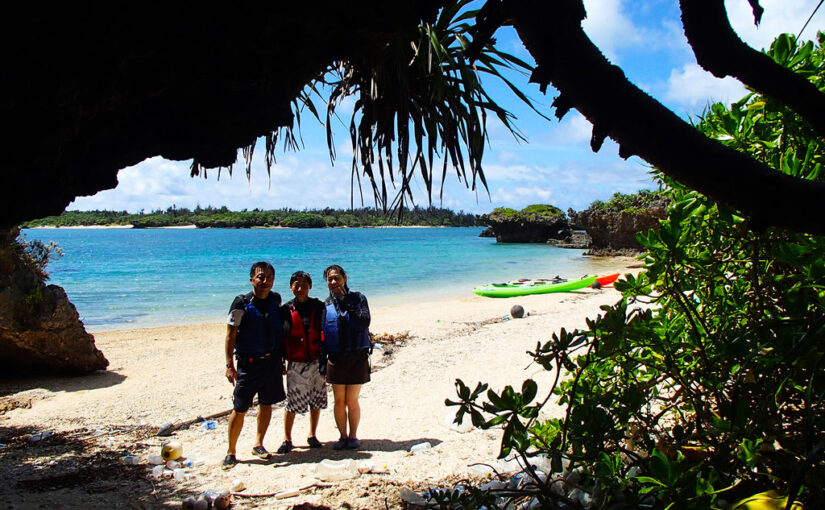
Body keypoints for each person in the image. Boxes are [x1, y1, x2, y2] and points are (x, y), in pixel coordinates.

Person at [222, 261, 286, 469]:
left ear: (274, 280)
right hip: (248, 364)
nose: (265, 281)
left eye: (269, 277)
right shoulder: (241, 303)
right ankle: (231, 451)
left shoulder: (276, 300)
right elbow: (230, 335)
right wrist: (229, 365)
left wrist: (282, 359)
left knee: (266, 404)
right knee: (239, 408)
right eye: (260, 277)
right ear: (251, 279)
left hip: (272, 362)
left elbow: (279, 332)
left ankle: (259, 443)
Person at [276, 270, 327, 454]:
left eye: (304, 285)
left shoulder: (319, 307)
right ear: (290, 287)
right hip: (295, 363)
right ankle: (287, 438)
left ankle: (312, 434)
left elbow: (323, 335)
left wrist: (323, 362)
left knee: (316, 399)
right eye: (296, 285)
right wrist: (281, 361)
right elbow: (281, 337)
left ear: (310, 287)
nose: (300, 288)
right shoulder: (285, 310)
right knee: (292, 402)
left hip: (315, 359)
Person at [322, 264, 371, 450]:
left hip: (356, 356)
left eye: (336, 277)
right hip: (335, 357)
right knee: (339, 401)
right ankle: (342, 436)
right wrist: (321, 363)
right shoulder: (326, 304)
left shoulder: (358, 298)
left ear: (345, 277)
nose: (333, 282)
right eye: (330, 279)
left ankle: (353, 436)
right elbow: (322, 336)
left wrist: (347, 303)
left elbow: (364, 321)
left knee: (352, 400)